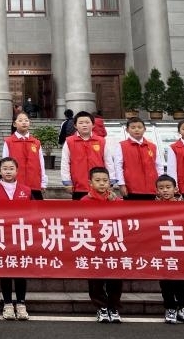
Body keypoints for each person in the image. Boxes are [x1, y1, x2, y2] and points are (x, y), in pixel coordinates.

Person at [0, 157, 33, 320]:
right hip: (2, 235)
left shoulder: (26, 190)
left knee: (21, 270)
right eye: (5, 168)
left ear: (17, 171)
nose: (8, 171)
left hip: (21, 236)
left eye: (11, 168)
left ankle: (21, 303)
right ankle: (7, 303)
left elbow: (34, 212)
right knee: (5, 269)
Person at [81, 166, 123, 323]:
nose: (102, 183)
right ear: (90, 183)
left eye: (105, 180)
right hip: (94, 245)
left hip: (113, 245)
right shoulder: (84, 201)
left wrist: (114, 204)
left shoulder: (116, 200)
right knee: (96, 279)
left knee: (115, 278)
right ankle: (101, 307)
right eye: (98, 180)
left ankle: (113, 307)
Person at [154, 174, 184, 325]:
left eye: (168, 187)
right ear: (156, 191)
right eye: (161, 188)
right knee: (165, 281)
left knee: (181, 281)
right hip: (162, 249)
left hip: (180, 248)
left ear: (175, 189)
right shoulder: (151, 207)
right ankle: (170, 308)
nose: (165, 190)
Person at [60, 111, 114, 200]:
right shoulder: (69, 141)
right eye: (81, 123)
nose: (84, 125)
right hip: (78, 185)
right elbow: (65, 162)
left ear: (93, 125)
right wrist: (67, 181)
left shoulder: (101, 141)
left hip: (99, 185)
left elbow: (108, 161)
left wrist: (111, 181)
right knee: (79, 208)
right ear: (75, 125)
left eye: (87, 122)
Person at [111, 117, 163, 200]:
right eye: (133, 127)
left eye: (139, 127)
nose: (136, 130)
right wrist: (121, 184)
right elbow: (118, 166)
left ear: (144, 129)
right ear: (127, 130)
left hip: (151, 187)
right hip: (131, 187)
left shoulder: (152, 146)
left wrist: (161, 183)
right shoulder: (122, 145)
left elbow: (159, 166)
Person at [2, 112, 47, 200]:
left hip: (34, 184)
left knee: (36, 207)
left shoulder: (36, 142)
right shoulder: (9, 142)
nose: (24, 122)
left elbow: (41, 163)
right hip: (15, 184)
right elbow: (4, 163)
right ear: (14, 124)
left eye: (26, 120)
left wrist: (43, 182)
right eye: (20, 120)